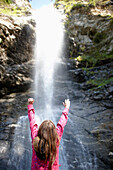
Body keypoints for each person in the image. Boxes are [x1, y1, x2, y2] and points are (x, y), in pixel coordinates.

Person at [27, 98, 70, 170]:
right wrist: (66, 108)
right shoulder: (56, 139)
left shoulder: (35, 138)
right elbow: (61, 124)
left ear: (40, 130)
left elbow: (32, 122)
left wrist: (30, 105)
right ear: (54, 131)